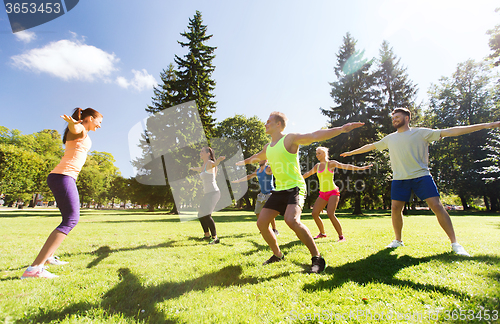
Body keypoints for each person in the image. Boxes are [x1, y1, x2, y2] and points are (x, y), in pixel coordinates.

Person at [341, 107, 500, 256]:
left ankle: (455, 244)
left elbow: (451, 131)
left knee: (437, 206)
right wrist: (351, 152)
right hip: (399, 179)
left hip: (421, 176)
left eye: (397, 117)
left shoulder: (421, 133)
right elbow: (370, 146)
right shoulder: (390, 138)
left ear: (407, 118)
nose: (394, 120)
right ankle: (398, 240)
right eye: (393, 118)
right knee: (396, 208)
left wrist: (488, 125)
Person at [236, 111, 364, 273]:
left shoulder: (290, 139)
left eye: (269, 121)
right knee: (261, 222)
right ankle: (277, 254)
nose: (265, 124)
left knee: (292, 220)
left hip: (295, 187)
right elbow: (256, 157)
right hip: (279, 190)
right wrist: (239, 163)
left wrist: (341, 129)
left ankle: (317, 257)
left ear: (278, 124)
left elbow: (315, 135)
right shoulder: (268, 147)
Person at [21, 108, 103, 279]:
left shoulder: (83, 132)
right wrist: (73, 125)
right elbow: (76, 129)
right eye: (99, 122)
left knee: (68, 219)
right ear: (89, 118)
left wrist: (75, 126)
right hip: (63, 176)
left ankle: (48, 257)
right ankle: (35, 269)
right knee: (71, 219)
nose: (100, 126)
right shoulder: (79, 130)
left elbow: (79, 130)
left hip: (64, 177)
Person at [303, 146, 372, 241]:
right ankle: (322, 233)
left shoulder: (331, 164)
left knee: (330, 214)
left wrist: (360, 168)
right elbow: (307, 174)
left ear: (324, 154)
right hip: (322, 193)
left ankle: (341, 236)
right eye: (316, 153)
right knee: (314, 213)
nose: (317, 155)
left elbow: (346, 166)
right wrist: (296, 179)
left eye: (319, 153)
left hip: (333, 192)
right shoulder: (317, 166)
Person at [232, 160, 279, 235]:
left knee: (269, 213)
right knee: (257, 212)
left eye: (261, 159)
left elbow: (278, 171)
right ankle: (263, 228)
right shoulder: (257, 170)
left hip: (270, 194)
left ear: (266, 160)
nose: (259, 160)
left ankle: (274, 229)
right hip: (262, 194)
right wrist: (238, 181)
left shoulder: (268, 168)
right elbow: (249, 176)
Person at [190, 146, 225, 245]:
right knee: (200, 214)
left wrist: (218, 160)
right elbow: (200, 169)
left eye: (202, 151)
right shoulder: (204, 164)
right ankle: (206, 235)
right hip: (208, 193)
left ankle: (215, 237)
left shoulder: (210, 163)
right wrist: (192, 168)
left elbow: (215, 164)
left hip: (214, 192)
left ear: (208, 154)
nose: (200, 153)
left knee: (207, 214)